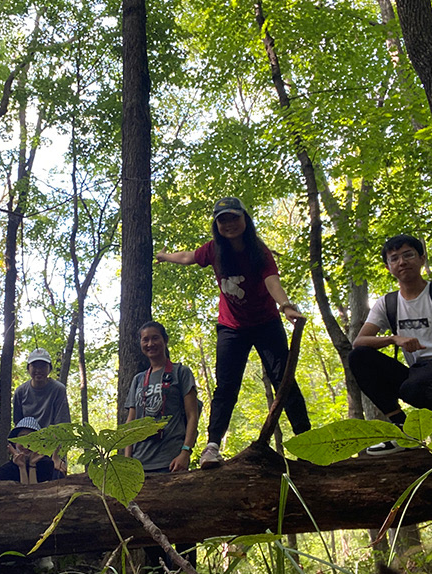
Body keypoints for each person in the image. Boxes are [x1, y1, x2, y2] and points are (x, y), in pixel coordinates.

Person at [156, 197, 311, 469]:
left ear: (244, 220)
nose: (229, 224)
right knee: (226, 386)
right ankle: (212, 446)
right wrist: (164, 256)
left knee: (283, 380)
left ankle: (307, 441)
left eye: (233, 217)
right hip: (232, 327)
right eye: (222, 220)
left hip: (266, 324)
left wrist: (286, 306)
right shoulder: (214, 250)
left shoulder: (259, 251)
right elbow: (188, 257)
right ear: (217, 225)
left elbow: (271, 281)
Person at [349, 234, 432, 455]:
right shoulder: (387, 303)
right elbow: (359, 342)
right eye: (394, 258)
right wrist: (393, 338)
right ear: (388, 267)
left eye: (408, 255)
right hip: (420, 376)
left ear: (422, 259)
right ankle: (402, 432)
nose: (402, 262)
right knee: (360, 357)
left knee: (413, 387)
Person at [124, 321, 200, 473]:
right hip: (139, 462)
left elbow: (193, 415)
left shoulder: (181, 372)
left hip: (171, 462)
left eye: (155, 338)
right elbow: (130, 423)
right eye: (145, 339)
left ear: (165, 340)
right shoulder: (138, 379)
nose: (150, 344)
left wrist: (185, 452)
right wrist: (127, 461)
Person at [12, 348, 71, 476]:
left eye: (43, 366)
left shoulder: (58, 390)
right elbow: (18, 424)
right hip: (27, 449)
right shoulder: (20, 392)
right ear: (28, 368)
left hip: (52, 447)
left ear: (49, 368)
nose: (38, 370)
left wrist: (57, 457)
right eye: (34, 366)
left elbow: (62, 426)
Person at [0, 417, 55, 484]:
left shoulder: (47, 465)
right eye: (22, 438)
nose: (26, 444)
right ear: (14, 442)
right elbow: (22, 492)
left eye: (32, 439)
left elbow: (35, 492)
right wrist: (22, 467)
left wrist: (32, 465)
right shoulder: (5, 470)